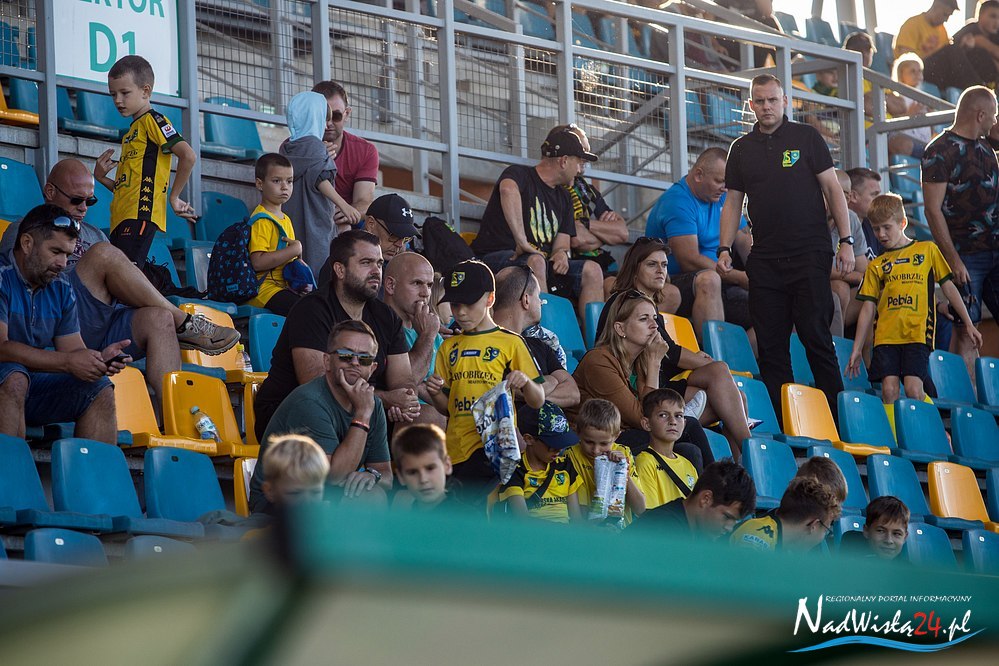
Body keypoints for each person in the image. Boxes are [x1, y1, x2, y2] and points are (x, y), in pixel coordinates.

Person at [0, 158, 239, 406]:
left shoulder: (94, 233)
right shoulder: (25, 230)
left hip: (100, 321)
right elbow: (19, 287)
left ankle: (174, 413)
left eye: (90, 201)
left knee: (159, 318)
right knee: (104, 254)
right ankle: (186, 323)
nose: (83, 208)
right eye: (76, 200)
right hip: (57, 318)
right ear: (50, 192)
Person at [718, 74, 853, 422]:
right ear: (751, 105)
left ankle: (835, 421)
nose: (767, 107)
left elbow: (833, 190)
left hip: (809, 254)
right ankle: (785, 424)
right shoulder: (741, 149)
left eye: (773, 100)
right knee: (772, 346)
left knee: (816, 337)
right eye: (760, 101)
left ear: (785, 101)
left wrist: (847, 241)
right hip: (765, 258)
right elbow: (732, 202)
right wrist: (723, 247)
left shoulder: (806, 137)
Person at [253, 230, 417, 441]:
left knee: (424, 419)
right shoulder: (311, 310)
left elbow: (403, 378)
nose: (376, 271)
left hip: (360, 412)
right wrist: (385, 400)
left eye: (379, 263)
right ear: (340, 269)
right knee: (330, 413)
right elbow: (319, 387)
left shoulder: (386, 316)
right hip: (296, 417)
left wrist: (405, 400)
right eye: (366, 263)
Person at [596, 247, 755, 460]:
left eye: (664, 265)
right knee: (717, 378)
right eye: (652, 264)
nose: (660, 270)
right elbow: (667, 353)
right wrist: (698, 360)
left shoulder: (650, 310)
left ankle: (739, 467)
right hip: (646, 389)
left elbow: (666, 351)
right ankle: (748, 454)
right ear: (635, 269)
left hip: (660, 380)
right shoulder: (623, 306)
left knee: (736, 397)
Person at [0, 204, 131, 443]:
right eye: (55, 251)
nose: (62, 263)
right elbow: (2, 349)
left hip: (28, 385)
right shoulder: (2, 276)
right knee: (15, 377)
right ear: (27, 243)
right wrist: (69, 362)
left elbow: (73, 350)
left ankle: (93, 468)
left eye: (67, 255)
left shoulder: (60, 286)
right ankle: (10, 466)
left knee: (98, 387)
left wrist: (97, 360)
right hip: (9, 381)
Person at [847, 194, 982, 426]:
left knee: (913, 388)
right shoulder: (876, 265)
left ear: (902, 223)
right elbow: (868, 308)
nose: (881, 234)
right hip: (886, 337)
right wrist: (857, 348)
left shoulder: (927, 250)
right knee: (889, 390)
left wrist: (968, 323)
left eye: (886, 227)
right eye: (876, 229)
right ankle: (895, 439)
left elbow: (949, 288)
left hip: (916, 333)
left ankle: (931, 429)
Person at [575, 291, 733, 466]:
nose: (654, 325)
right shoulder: (598, 361)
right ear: (620, 329)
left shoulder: (639, 361)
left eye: (655, 318)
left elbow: (652, 415)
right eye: (644, 319)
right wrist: (654, 363)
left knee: (689, 451)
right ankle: (717, 482)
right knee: (689, 426)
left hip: (630, 435)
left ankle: (712, 482)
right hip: (599, 443)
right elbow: (644, 419)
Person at [249, 320, 392, 514]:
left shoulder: (372, 404)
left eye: (364, 358)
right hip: (280, 502)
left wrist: (372, 476)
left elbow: (386, 475)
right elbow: (333, 477)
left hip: (321, 497)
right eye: (345, 355)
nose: (355, 362)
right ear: (327, 361)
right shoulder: (310, 402)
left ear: (372, 368)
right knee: (362, 501)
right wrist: (362, 415)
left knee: (376, 494)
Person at [426, 259, 545, 490]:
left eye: (469, 303)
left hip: (492, 447)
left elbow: (537, 400)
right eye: (455, 304)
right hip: (455, 449)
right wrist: (435, 393)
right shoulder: (448, 347)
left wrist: (526, 382)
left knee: (466, 503)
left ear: (490, 299)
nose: (461, 312)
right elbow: (447, 408)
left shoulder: (511, 342)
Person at [470, 123, 605, 317]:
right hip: (497, 259)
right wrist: (521, 241)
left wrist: (561, 253)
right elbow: (507, 189)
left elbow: (562, 243)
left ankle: (595, 336)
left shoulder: (565, 196)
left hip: (540, 264)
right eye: (579, 162)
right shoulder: (519, 174)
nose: (581, 170)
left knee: (592, 270)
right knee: (537, 261)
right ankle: (546, 332)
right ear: (564, 161)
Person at [921, 85, 999, 375]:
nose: (995, 120)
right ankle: (967, 399)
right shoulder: (939, 150)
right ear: (980, 115)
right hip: (965, 255)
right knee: (967, 329)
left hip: (995, 249)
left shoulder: (986, 146)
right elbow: (932, 210)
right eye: (993, 114)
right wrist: (953, 260)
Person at [93, 55, 197, 269]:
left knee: (123, 274)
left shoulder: (154, 120)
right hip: (121, 217)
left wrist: (174, 197)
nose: (118, 100)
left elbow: (188, 156)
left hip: (140, 215)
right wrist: (101, 178)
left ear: (146, 91)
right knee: (121, 275)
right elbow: (128, 187)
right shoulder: (131, 133)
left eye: (124, 93)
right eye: (113, 94)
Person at [646, 147, 753, 340]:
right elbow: (689, 261)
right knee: (709, 279)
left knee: (782, 303)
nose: (724, 188)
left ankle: (748, 356)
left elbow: (745, 241)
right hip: (673, 282)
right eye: (719, 181)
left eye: (727, 183)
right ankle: (714, 353)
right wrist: (739, 277)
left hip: (724, 281)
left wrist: (761, 274)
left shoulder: (723, 197)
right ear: (698, 175)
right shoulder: (678, 201)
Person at [280, 91, 351, 272]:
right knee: (319, 267)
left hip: (292, 220)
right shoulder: (317, 147)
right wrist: (344, 205)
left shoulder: (286, 148)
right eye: (324, 119)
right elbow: (321, 179)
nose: (327, 125)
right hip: (316, 219)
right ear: (314, 117)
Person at [493, 265, 580, 409]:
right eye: (538, 296)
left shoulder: (540, 345)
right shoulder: (486, 345)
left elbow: (573, 394)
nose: (541, 302)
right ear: (526, 300)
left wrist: (532, 395)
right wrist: (551, 382)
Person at [244, 153, 313, 316]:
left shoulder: (285, 219)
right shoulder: (261, 220)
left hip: (283, 286)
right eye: (276, 181)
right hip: (263, 289)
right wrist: (294, 249)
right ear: (260, 184)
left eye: (289, 181)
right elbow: (258, 262)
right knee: (304, 311)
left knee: (317, 306)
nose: (284, 187)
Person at [382, 252, 446, 427]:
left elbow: (449, 396)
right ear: (390, 285)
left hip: (441, 425)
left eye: (429, 285)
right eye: (417, 283)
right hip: (404, 425)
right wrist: (427, 336)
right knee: (432, 416)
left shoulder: (433, 330)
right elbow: (406, 387)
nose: (425, 293)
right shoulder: (379, 326)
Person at [497, 402, 583, 524]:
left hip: (566, 534)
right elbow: (523, 521)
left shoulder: (565, 465)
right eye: (552, 444)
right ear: (529, 439)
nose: (559, 449)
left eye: (562, 442)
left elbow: (577, 521)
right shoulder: (514, 469)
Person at [564, 398, 646, 522]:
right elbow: (579, 510)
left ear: (616, 436)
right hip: (589, 528)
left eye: (604, 443)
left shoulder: (624, 453)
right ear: (578, 432)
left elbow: (640, 508)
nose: (596, 450)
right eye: (589, 442)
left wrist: (622, 471)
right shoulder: (571, 455)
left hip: (621, 529)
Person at [312, 80, 379, 227]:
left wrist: (345, 212)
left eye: (336, 116)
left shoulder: (366, 150)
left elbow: (364, 202)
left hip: (345, 223)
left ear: (346, 114)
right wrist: (315, 159)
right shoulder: (293, 147)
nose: (328, 123)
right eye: (322, 116)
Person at [635, 460, 756, 539]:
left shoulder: (701, 535)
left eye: (735, 521)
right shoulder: (664, 528)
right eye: (727, 517)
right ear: (705, 498)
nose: (729, 528)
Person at [317, 193, 419, 286]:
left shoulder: (403, 267)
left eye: (406, 238)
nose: (400, 244)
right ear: (371, 224)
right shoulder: (344, 261)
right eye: (394, 236)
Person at [729, 477, 841, 553]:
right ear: (814, 525)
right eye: (826, 531)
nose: (823, 537)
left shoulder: (786, 549)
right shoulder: (758, 536)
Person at [634, 389, 699, 512]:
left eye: (678, 416)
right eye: (663, 415)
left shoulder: (689, 466)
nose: (673, 421)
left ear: (684, 423)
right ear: (646, 423)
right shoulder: (645, 462)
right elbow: (650, 516)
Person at [565, 172, 629, 294]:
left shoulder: (588, 190)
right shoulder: (557, 191)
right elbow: (576, 239)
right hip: (574, 263)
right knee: (614, 288)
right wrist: (606, 235)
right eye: (580, 161)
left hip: (602, 261)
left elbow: (623, 234)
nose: (583, 164)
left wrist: (584, 223)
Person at [827, 170, 870, 337]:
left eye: (842, 195)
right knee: (840, 289)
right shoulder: (810, 219)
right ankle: (836, 344)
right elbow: (816, 268)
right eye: (829, 193)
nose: (836, 199)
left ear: (849, 197)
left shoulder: (851, 219)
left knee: (875, 292)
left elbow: (863, 268)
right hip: (808, 285)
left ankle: (865, 353)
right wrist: (856, 277)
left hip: (839, 289)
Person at [924, 1, 999, 91]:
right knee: (953, 50)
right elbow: (951, 53)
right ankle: (978, 89)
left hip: (986, 84)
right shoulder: (969, 31)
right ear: (980, 15)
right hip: (946, 78)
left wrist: (984, 43)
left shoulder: (995, 36)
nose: (997, 22)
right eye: (993, 16)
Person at [254, 434, 331, 512]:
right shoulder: (259, 520)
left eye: (316, 492)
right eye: (295, 493)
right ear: (270, 491)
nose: (307, 503)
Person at [391, 423, 453, 511]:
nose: (423, 480)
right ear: (401, 476)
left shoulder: (468, 516)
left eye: (430, 468)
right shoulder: (404, 517)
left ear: (447, 465)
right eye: (412, 472)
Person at [890, 54, 935, 160]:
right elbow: (890, 128)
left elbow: (931, 132)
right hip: (911, 144)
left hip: (924, 143)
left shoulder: (924, 100)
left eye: (920, 71)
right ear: (901, 74)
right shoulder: (896, 99)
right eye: (912, 71)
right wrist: (909, 115)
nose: (918, 74)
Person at [894, 0, 959, 61]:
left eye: (949, 16)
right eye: (945, 14)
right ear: (936, 6)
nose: (946, 20)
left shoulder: (942, 30)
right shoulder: (912, 24)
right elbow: (905, 58)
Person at [846, 167, 885, 259]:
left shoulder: (873, 225)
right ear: (853, 196)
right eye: (874, 194)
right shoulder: (838, 229)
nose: (880, 200)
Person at [861, 496, 910, 561]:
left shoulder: (908, 567)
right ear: (866, 531)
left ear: (905, 537)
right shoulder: (851, 563)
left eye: (897, 534)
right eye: (881, 531)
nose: (888, 541)